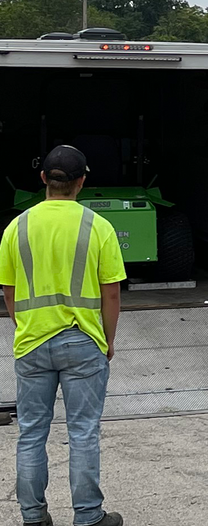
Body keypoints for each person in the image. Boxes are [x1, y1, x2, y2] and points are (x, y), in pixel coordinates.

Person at [0, 145, 127, 526]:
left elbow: (8, 289)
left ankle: (34, 517)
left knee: (31, 434)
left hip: (32, 343)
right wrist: (107, 339)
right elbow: (112, 293)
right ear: (81, 182)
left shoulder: (16, 226)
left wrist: (24, 328)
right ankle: (88, 517)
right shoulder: (97, 227)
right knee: (84, 433)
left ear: (44, 180)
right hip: (83, 341)